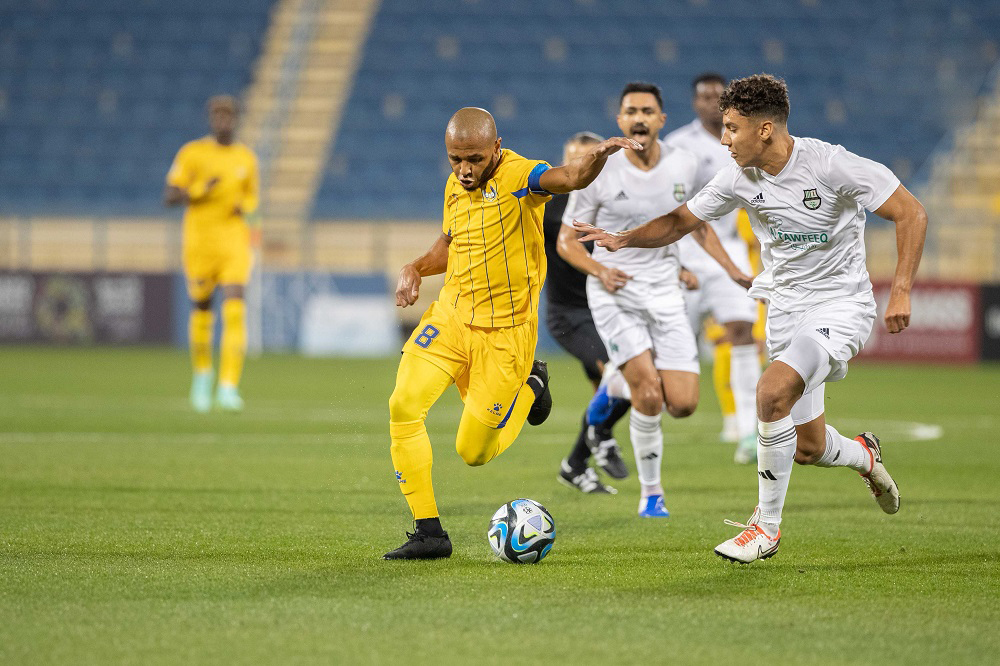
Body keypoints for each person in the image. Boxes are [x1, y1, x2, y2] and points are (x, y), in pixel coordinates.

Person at [575, 74, 927, 562]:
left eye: (731, 128)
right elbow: (681, 221)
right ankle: (865, 455)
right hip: (784, 309)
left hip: (840, 305)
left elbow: (911, 212)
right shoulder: (739, 176)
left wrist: (901, 290)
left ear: (765, 129)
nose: (722, 139)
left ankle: (765, 529)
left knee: (769, 392)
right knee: (809, 447)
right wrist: (623, 238)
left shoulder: (831, 165)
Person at [383, 107, 641, 560]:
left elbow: (568, 178)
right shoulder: (455, 186)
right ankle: (429, 532)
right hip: (450, 319)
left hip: (505, 335)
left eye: (475, 160)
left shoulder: (522, 176)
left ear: (496, 149)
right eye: (455, 159)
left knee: (473, 452)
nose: (465, 170)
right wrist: (415, 268)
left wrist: (596, 158)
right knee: (403, 404)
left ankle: (532, 388)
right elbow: (449, 243)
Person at [560, 82, 752, 518]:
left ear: (661, 120)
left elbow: (696, 224)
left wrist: (730, 269)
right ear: (620, 121)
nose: (639, 118)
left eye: (648, 110)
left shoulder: (684, 164)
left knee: (682, 403)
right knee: (648, 392)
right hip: (615, 294)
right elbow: (567, 242)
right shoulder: (598, 171)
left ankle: (612, 384)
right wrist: (600, 269)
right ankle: (652, 495)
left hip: (665, 291)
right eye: (631, 111)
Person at [665, 73, 763, 464]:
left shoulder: (745, 139)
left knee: (742, 331)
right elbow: (668, 208)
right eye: (702, 96)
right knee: (673, 339)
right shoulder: (677, 145)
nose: (709, 102)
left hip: (731, 250)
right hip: (688, 252)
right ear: (694, 102)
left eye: (715, 97)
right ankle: (649, 417)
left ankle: (748, 431)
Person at [544, 131, 629, 495]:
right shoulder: (548, 208)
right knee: (621, 377)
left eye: (588, 159)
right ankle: (595, 445)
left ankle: (575, 465)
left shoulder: (613, 204)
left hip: (605, 311)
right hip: (568, 316)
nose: (580, 167)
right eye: (573, 159)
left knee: (610, 394)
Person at [164, 95, 260, 413]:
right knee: (203, 311)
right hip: (200, 244)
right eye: (217, 116)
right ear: (210, 119)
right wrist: (200, 190)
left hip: (234, 242)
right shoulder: (193, 153)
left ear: (235, 119)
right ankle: (202, 376)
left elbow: (254, 204)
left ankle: (229, 386)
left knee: (235, 311)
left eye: (228, 115)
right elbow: (170, 195)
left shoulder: (246, 158)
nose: (223, 121)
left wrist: (246, 214)